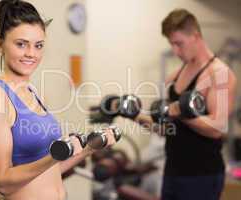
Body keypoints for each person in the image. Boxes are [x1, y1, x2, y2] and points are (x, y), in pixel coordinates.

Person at [0, 1, 116, 199]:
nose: (31, 54)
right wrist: (54, 156)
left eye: (38, 45)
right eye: (21, 44)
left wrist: (88, 149)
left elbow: (49, 171)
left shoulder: (34, 92)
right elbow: (3, 183)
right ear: (0, 45)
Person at [95, 8, 237, 200]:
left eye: (179, 43)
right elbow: (164, 127)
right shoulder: (176, 76)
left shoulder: (219, 74)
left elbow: (217, 127)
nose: (176, 51)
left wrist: (178, 113)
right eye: (172, 45)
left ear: (195, 36)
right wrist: (131, 113)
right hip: (172, 171)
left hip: (202, 175)